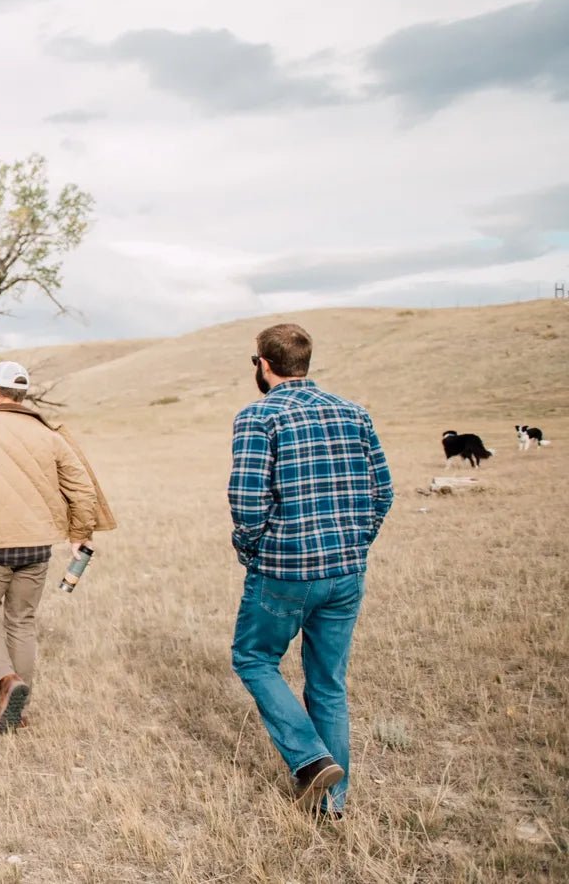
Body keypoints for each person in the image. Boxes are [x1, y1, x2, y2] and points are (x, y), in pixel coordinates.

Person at [229, 324, 392, 818]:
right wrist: (356, 543)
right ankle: (332, 805)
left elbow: (247, 501)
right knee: (328, 683)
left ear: (263, 363)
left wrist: (252, 551)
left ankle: (310, 759)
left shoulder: (258, 416)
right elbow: (383, 491)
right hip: (346, 570)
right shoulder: (354, 412)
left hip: (284, 568)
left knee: (253, 658)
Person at [0, 361, 111, 734]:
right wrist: (80, 532)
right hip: (37, 547)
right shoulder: (50, 435)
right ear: (22, 394)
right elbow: (82, 489)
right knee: (22, 621)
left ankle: (7, 681)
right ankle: (18, 714)